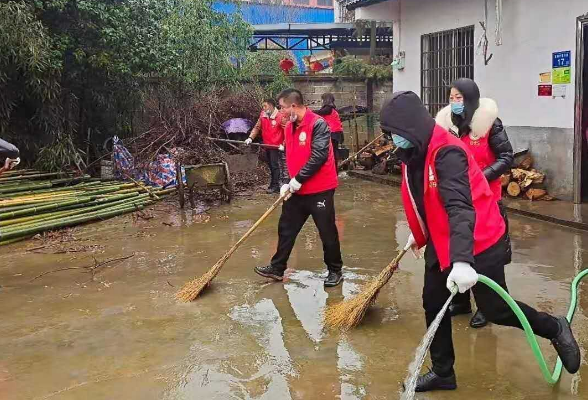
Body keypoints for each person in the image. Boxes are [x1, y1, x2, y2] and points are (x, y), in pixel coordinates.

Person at [380, 91, 580, 393]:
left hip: (480, 237)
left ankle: (554, 326)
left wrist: (462, 260)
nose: (393, 139)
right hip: (443, 237)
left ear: (410, 127)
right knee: (433, 302)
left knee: (496, 309)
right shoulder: (415, 149)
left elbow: (460, 207)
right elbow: (424, 194)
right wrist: (420, 228)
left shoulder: (447, 152)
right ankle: (443, 372)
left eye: (395, 132)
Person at [435, 78, 514, 329]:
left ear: (470, 99)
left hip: (487, 201)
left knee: (488, 257)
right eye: (451, 98)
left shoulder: (490, 123)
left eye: (459, 98)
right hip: (459, 201)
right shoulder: (448, 125)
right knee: (460, 249)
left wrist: (482, 176)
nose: (454, 103)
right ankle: (461, 301)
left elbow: (507, 157)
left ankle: (489, 307)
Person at [254, 88, 343, 287]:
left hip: (320, 189)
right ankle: (277, 268)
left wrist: (298, 179)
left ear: (294, 106)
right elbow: (287, 156)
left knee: (326, 230)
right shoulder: (288, 127)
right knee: (286, 227)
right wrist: (285, 182)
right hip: (296, 189)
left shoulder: (318, 124)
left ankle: (335, 270)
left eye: (283, 107)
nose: (281, 112)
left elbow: (318, 156)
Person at [246, 98, 286, 194]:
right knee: (271, 166)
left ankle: (276, 186)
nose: (263, 108)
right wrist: (250, 138)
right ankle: (272, 184)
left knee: (275, 165)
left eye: (265, 106)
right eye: (263, 106)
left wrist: (284, 144)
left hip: (276, 146)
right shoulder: (263, 115)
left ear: (271, 106)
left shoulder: (280, 117)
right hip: (266, 145)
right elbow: (257, 127)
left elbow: (287, 131)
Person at [315, 93, 344, 165]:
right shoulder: (331, 109)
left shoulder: (328, 108)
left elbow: (319, 112)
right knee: (333, 151)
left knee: (332, 152)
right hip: (336, 133)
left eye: (322, 99)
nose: (321, 101)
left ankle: (334, 169)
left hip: (333, 133)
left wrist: (308, 111)